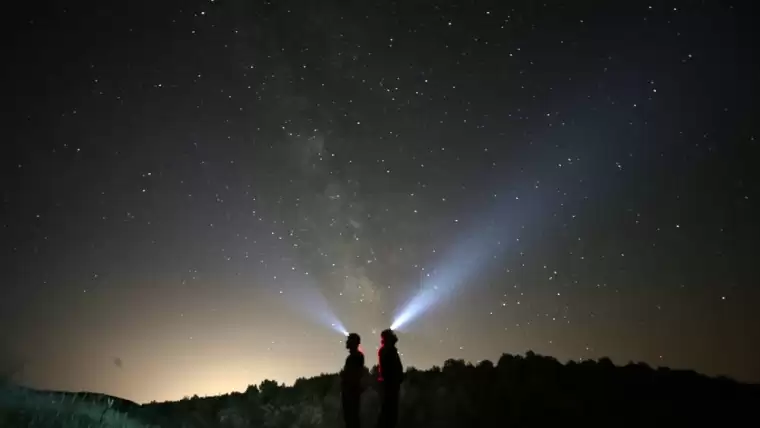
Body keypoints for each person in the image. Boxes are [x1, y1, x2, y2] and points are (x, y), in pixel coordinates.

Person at [376, 329, 403, 428]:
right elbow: (387, 371)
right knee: (388, 416)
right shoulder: (387, 351)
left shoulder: (389, 350)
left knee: (389, 416)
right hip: (390, 387)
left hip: (391, 387)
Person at [341, 332, 365, 428]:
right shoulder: (354, 357)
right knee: (351, 418)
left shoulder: (356, 357)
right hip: (350, 391)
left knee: (352, 418)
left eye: (349, 340)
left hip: (351, 391)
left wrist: (345, 377)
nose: (346, 342)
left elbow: (354, 375)